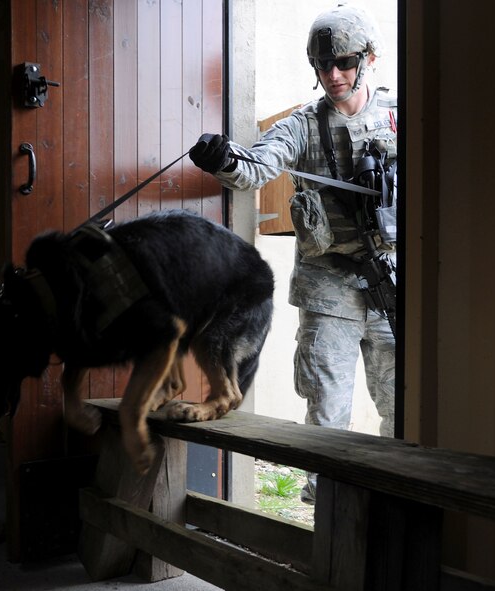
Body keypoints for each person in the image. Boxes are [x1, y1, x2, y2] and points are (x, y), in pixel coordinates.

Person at [188, 4, 397, 504]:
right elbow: (257, 168)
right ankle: (326, 511)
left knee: (403, 405)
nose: (333, 75)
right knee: (327, 409)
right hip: (329, 287)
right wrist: (224, 160)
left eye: (344, 63)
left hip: (392, 283)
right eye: (323, 66)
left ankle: (396, 502)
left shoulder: (397, 116)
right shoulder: (304, 125)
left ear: (368, 58)